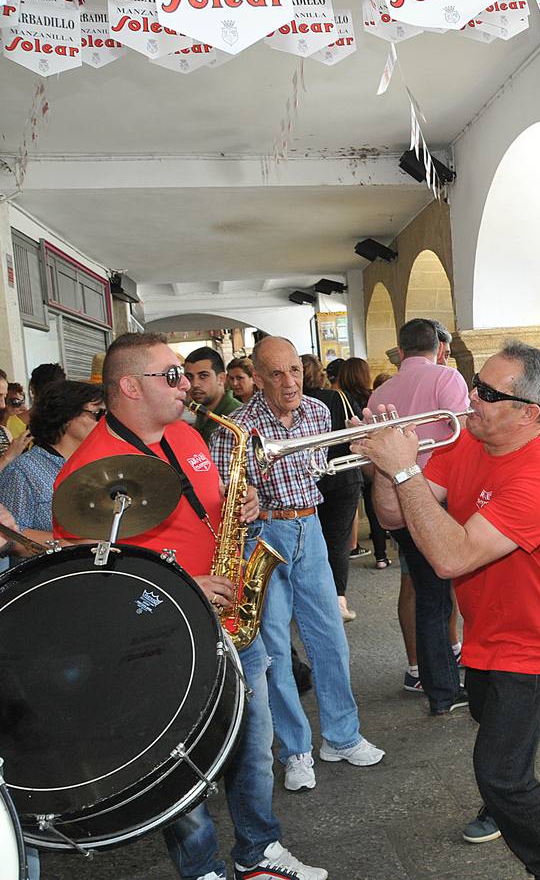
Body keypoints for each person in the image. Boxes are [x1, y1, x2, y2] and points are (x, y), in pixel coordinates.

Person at [52, 332, 326, 880]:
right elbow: (92, 584)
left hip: (229, 620)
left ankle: (258, 849)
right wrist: (184, 586)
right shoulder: (88, 474)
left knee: (252, 740)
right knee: (180, 768)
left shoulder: (190, 434)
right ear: (129, 386)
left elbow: (211, 507)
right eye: (171, 375)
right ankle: (202, 869)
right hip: (156, 638)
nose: (187, 385)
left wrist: (242, 502)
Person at [355, 341, 540, 880]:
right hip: (483, 628)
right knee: (492, 731)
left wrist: (405, 471)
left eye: (486, 393)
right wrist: (384, 464)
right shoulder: (471, 443)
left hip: (529, 638)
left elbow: (451, 556)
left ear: (529, 413)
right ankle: (500, 801)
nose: (470, 399)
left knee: (501, 774)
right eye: (475, 383)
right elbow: (391, 516)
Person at [210, 336, 383, 793]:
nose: (290, 382)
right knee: (274, 654)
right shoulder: (235, 428)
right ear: (258, 379)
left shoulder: (318, 412)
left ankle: (342, 737)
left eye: (295, 371)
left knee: (330, 639)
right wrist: (244, 501)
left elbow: (316, 471)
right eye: (277, 374)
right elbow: (226, 502)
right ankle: (296, 750)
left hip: (309, 528)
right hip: (262, 538)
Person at [367, 318, 471, 713]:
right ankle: (443, 688)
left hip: (396, 498)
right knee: (441, 597)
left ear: (400, 350)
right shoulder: (446, 378)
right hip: (437, 496)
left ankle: (435, 681)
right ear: (440, 347)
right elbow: (463, 435)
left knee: (427, 591)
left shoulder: (381, 391)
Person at [302, 353, 364, 622]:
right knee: (338, 542)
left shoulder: (297, 405)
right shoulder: (340, 397)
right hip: (345, 477)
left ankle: (314, 600)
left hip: (310, 478)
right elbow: (357, 429)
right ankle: (338, 600)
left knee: (312, 542)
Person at [0, 380, 102, 535]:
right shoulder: (23, 470)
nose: (103, 422)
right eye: (97, 414)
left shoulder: (98, 463)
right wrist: (67, 545)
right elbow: (11, 535)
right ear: (67, 416)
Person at [336, 357, 389, 570]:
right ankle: (381, 555)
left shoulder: (338, 397)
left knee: (358, 510)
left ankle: (352, 546)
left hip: (350, 464)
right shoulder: (371, 397)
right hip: (368, 458)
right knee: (373, 507)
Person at [185, 346, 242, 443]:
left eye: (203, 376)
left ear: (221, 378)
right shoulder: (200, 410)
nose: (194, 384)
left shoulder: (238, 416)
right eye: (189, 377)